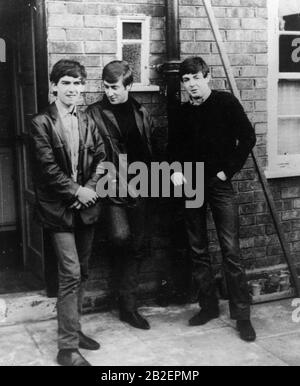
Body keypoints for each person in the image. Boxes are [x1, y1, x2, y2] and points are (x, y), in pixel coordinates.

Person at [170, 56, 257, 342]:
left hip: (218, 185)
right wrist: (176, 171)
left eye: (196, 77)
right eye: (186, 80)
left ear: (207, 77)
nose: (191, 84)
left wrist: (226, 172)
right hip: (191, 184)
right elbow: (173, 148)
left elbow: (247, 138)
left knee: (230, 249)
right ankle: (207, 306)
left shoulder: (225, 103)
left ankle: (242, 315)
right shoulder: (182, 112)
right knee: (197, 248)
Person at [29, 59, 106, 366]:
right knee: (71, 272)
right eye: (66, 83)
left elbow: (101, 159)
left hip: (84, 207)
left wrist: (88, 189)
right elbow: (47, 169)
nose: (72, 89)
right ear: (54, 86)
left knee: (83, 271)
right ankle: (67, 349)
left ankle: (75, 329)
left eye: (77, 83)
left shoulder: (87, 119)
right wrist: (77, 191)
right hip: (57, 210)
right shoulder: (41, 122)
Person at [87, 60, 160, 330]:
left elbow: (151, 148)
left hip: (143, 185)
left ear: (128, 85)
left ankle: (128, 307)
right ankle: (124, 297)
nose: (109, 92)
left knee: (138, 244)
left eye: (115, 87)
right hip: (111, 185)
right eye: (105, 87)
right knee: (120, 237)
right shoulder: (93, 113)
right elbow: (93, 153)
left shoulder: (141, 111)